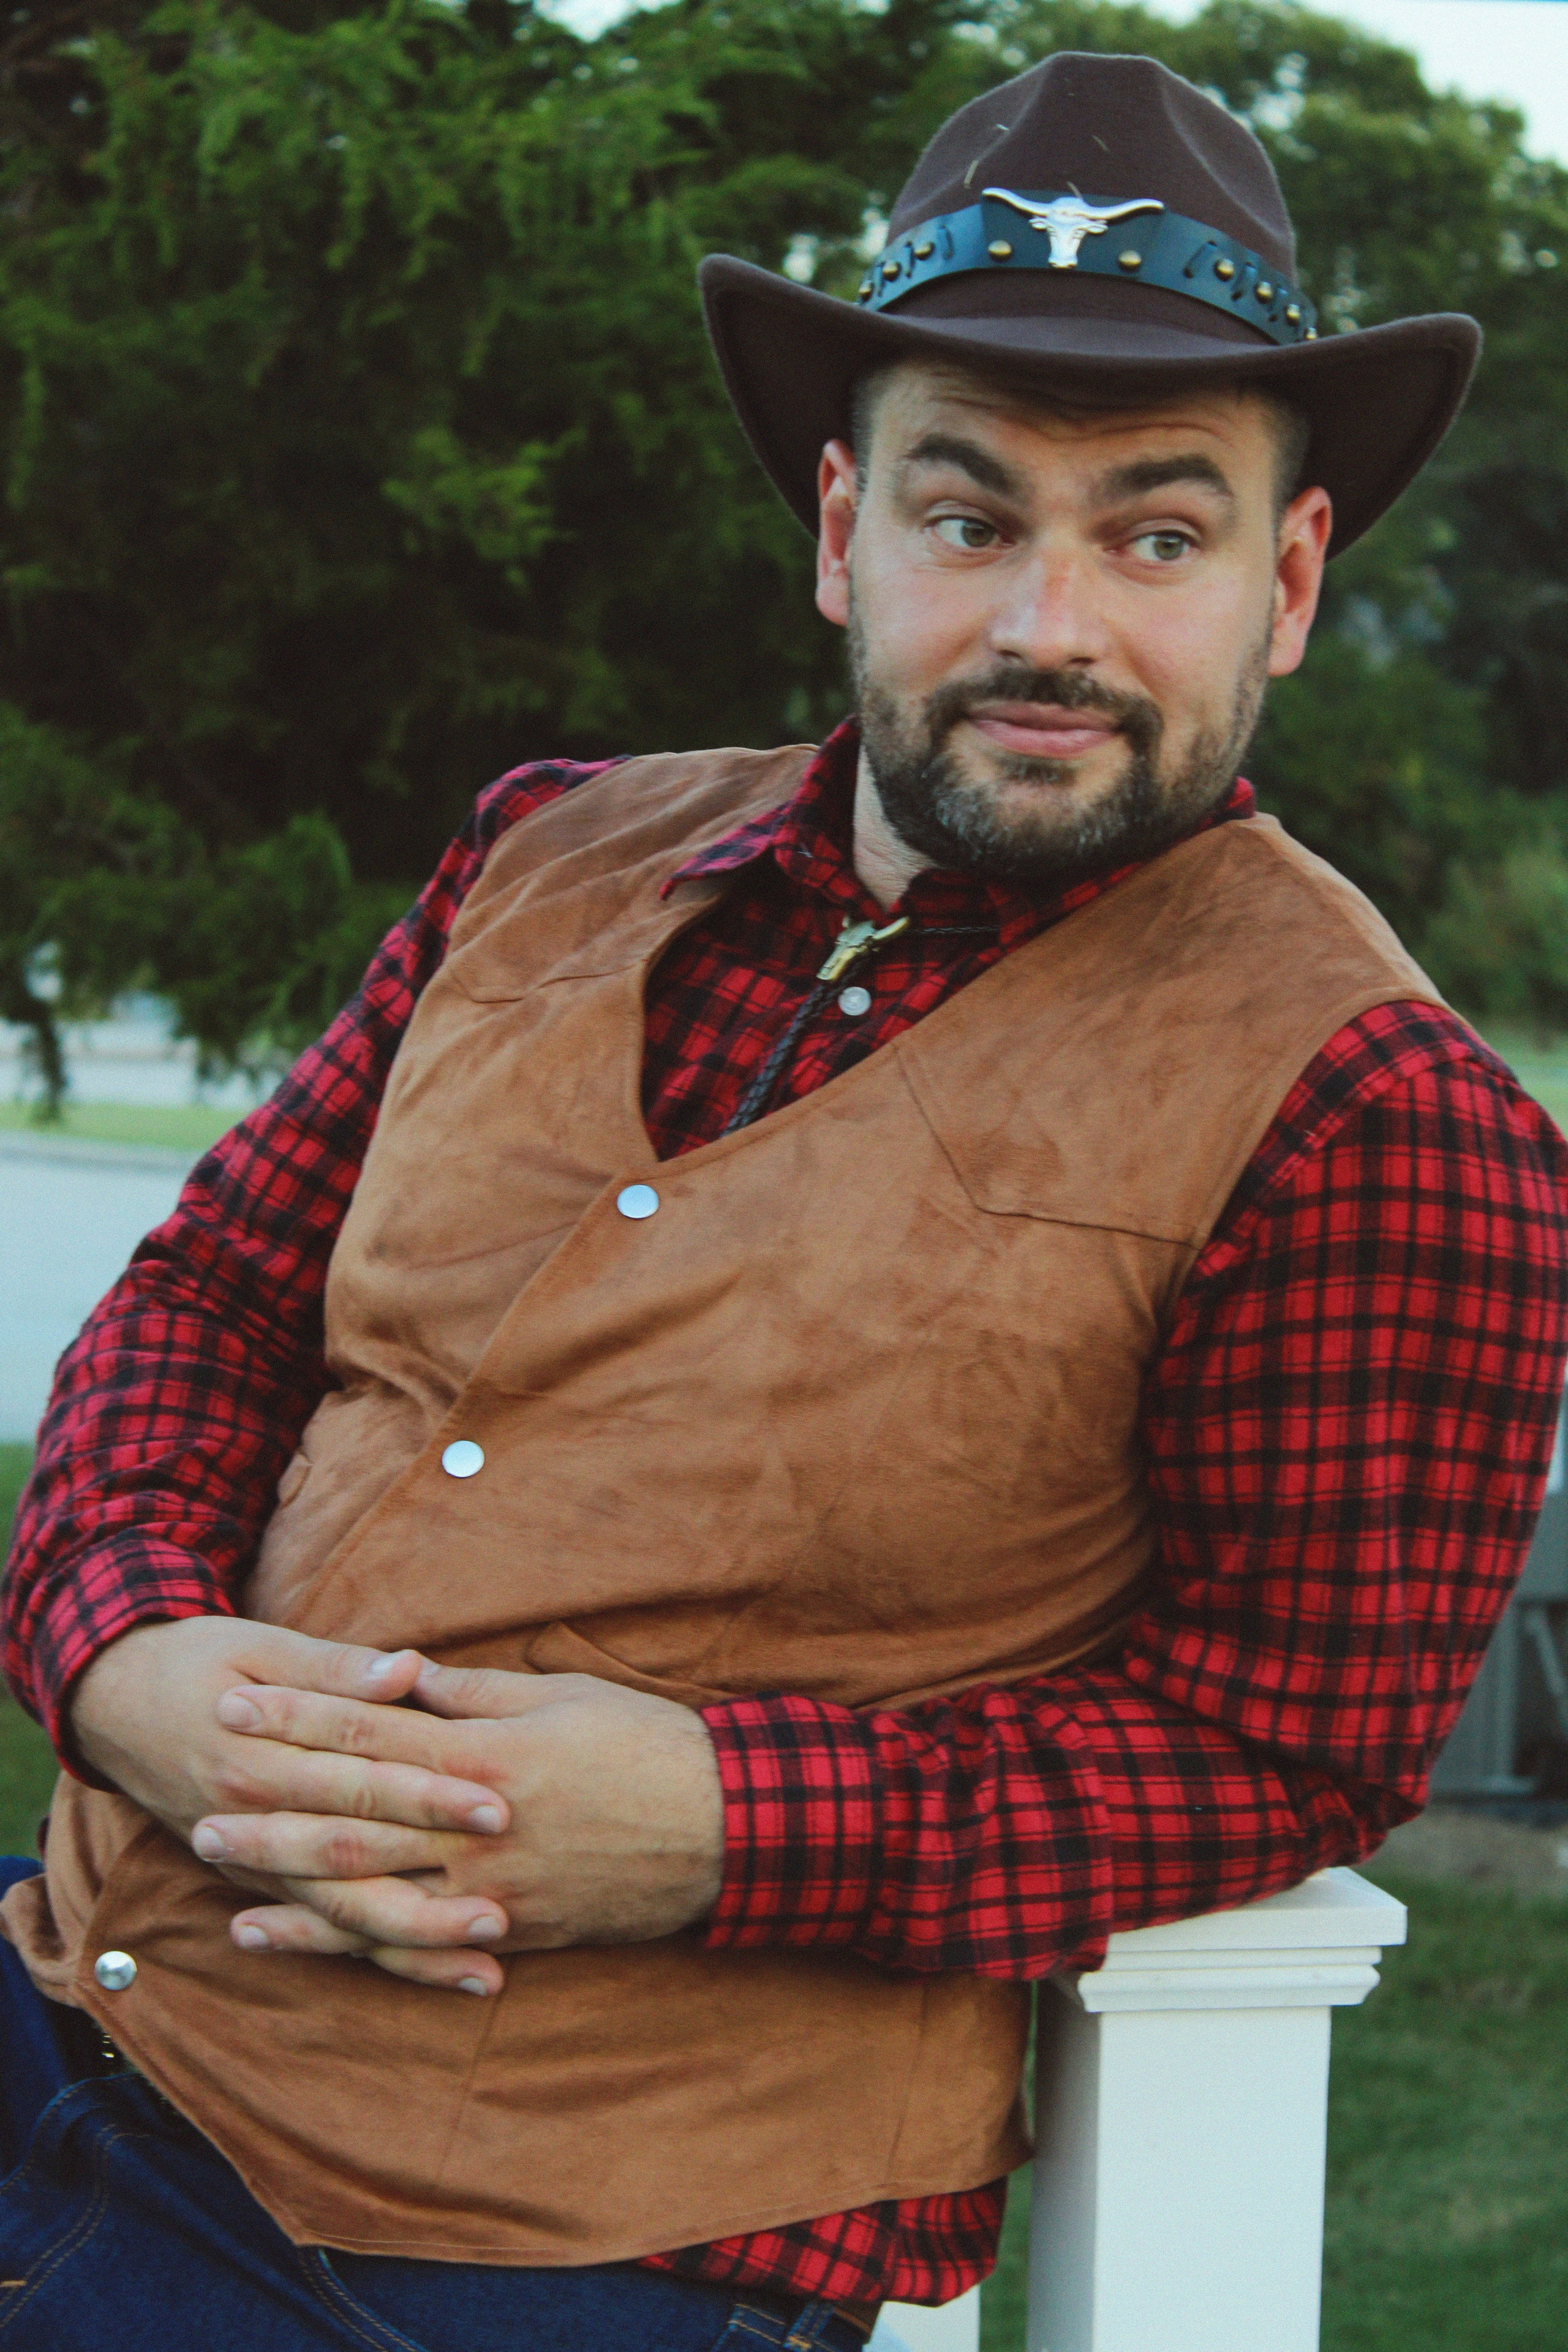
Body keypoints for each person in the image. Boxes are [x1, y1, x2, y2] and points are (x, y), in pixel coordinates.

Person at [2, 48, 1565, 2352]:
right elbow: (206, 1310)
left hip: (526, 2253)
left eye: (1155, 532)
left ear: (1287, 580)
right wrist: (119, 1652)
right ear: (842, 529)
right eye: (966, 517)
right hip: (71, 2006)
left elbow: (1285, 1742)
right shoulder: (540, 846)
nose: (1051, 622)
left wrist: (724, 1819)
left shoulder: (1378, 1114)